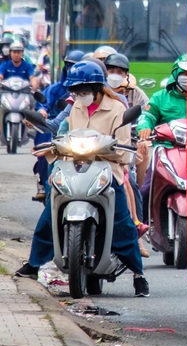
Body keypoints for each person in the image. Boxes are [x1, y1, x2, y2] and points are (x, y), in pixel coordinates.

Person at [13, 61, 150, 297]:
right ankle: (34, 264)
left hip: (106, 169)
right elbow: (63, 131)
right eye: (77, 90)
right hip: (75, 167)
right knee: (50, 213)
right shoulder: (75, 106)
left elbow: (124, 149)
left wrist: (109, 150)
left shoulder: (117, 109)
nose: (80, 94)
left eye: (84, 89)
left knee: (122, 222)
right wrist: (52, 147)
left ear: (98, 87)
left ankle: (138, 275)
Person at [104, 53, 151, 254]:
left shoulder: (134, 94)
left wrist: (143, 132)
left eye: (119, 72)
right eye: (111, 71)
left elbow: (145, 114)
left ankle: (136, 235)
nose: (114, 75)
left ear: (126, 74)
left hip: (125, 145)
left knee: (129, 182)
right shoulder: (95, 91)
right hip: (96, 146)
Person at [28, 50, 84, 202]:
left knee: (122, 185)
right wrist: (40, 114)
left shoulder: (113, 103)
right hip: (62, 134)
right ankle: (45, 186)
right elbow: (58, 121)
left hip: (93, 149)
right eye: (70, 67)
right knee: (46, 150)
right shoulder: (68, 96)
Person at [135, 55, 187, 208]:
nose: (186, 78)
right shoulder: (160, 97)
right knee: (148, 188)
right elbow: (147, 116)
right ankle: (142, 224)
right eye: (183, 74)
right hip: (166, 148)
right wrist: (144, 127)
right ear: (175, 74)